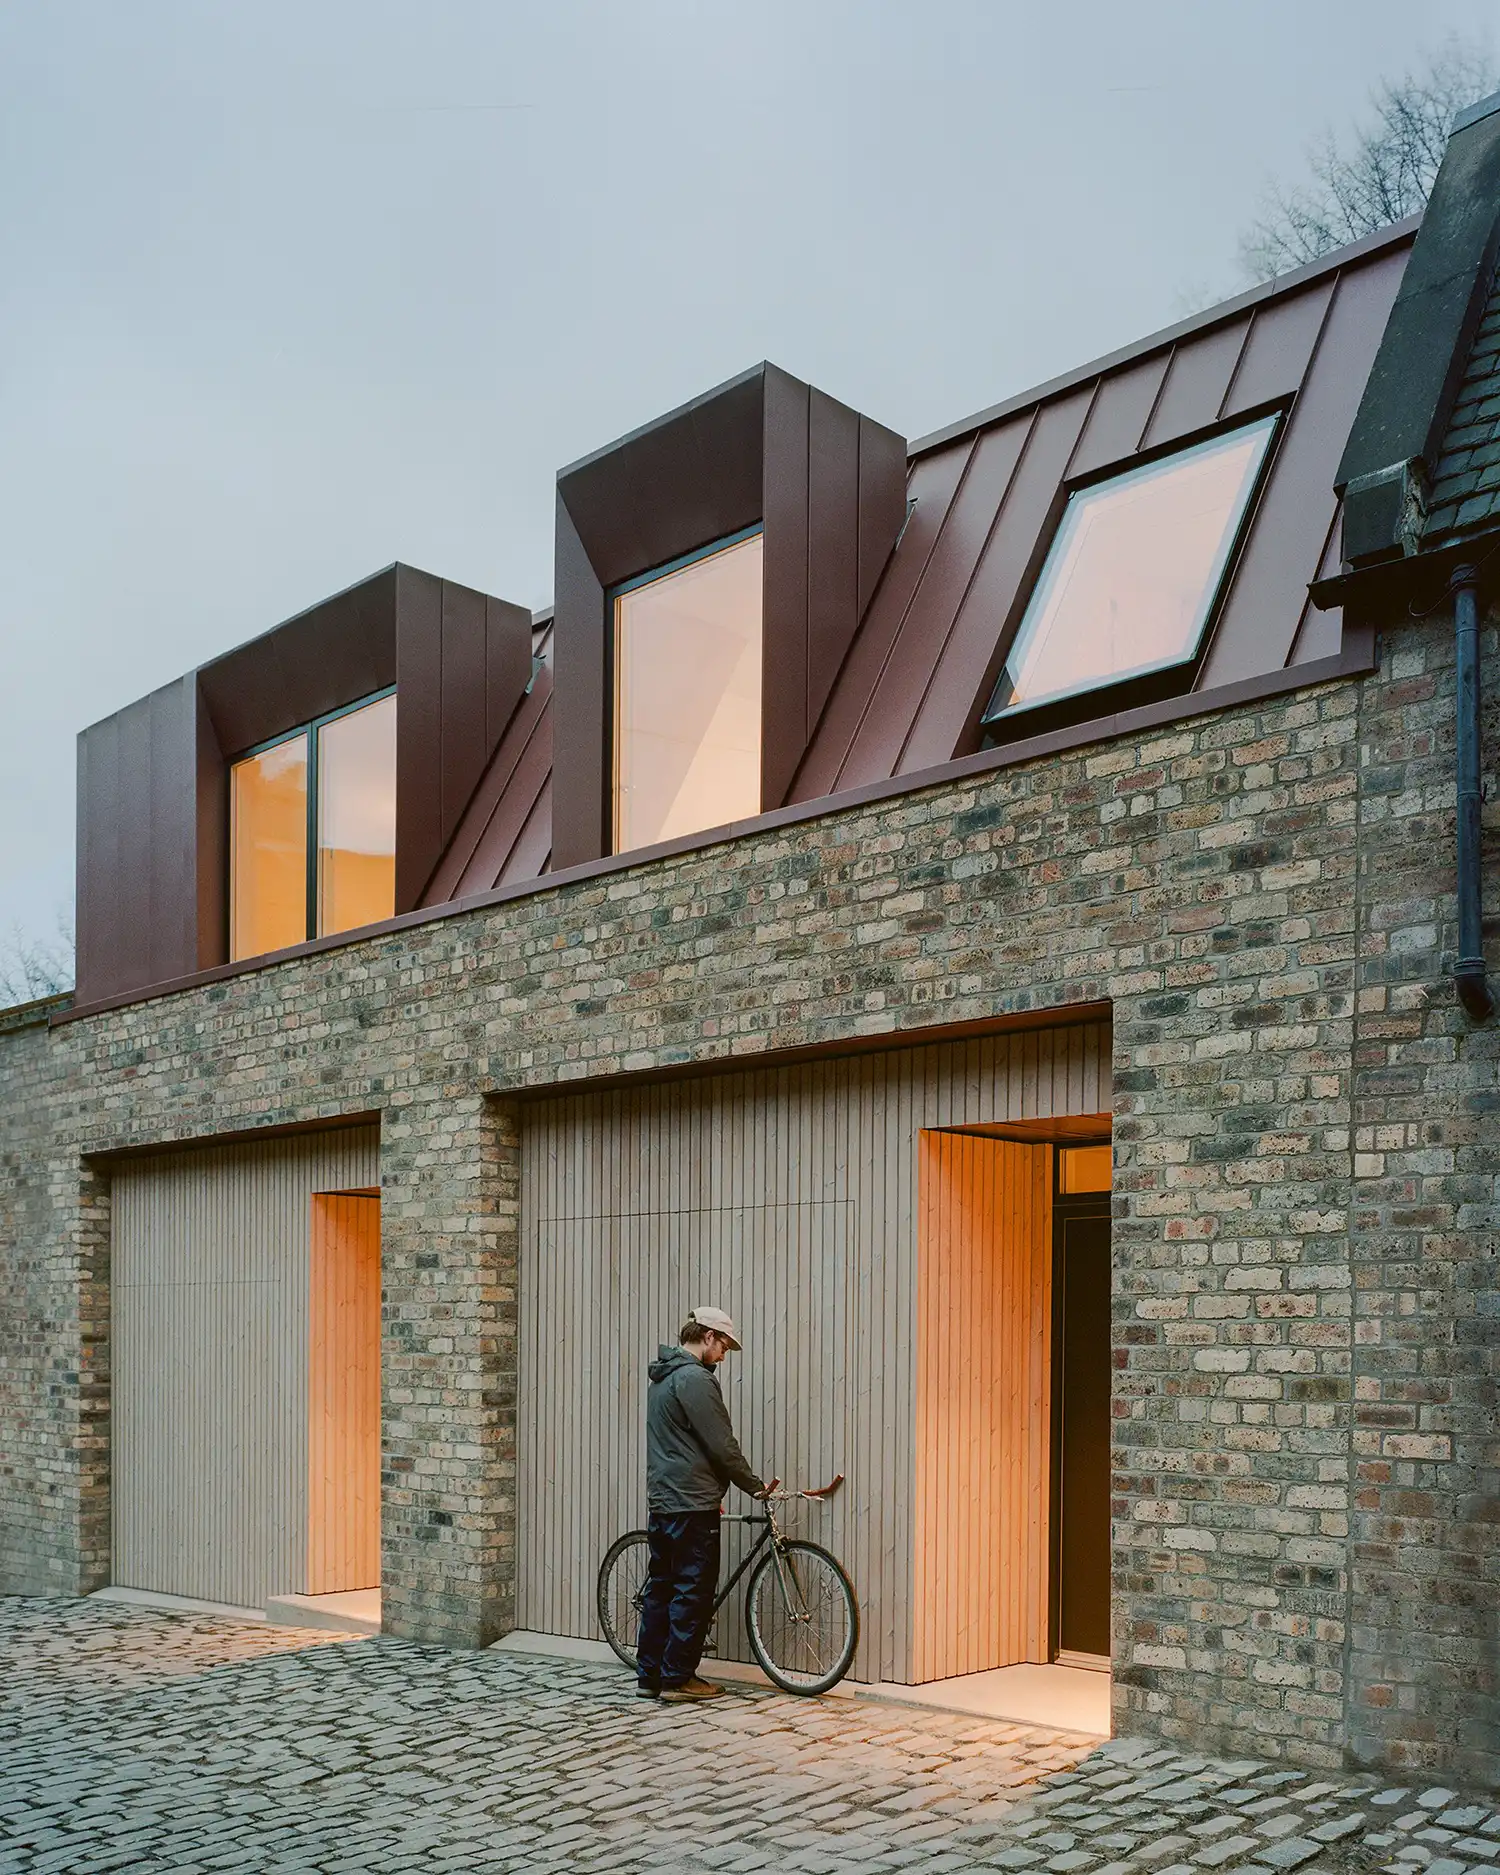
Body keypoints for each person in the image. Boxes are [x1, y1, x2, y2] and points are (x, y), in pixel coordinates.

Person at [637, 1306, 770, 1704]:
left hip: (664, 1499)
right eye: (724, 1345)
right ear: (708, 1336)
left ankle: (650, 1675)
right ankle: (678, 1677)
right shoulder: (695, 1378)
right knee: (692, 1589)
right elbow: (720, 1443)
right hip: (691, 1502)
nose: (725, 1355)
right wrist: (754, 1486)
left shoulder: (662, 1378)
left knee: (660, 1587)